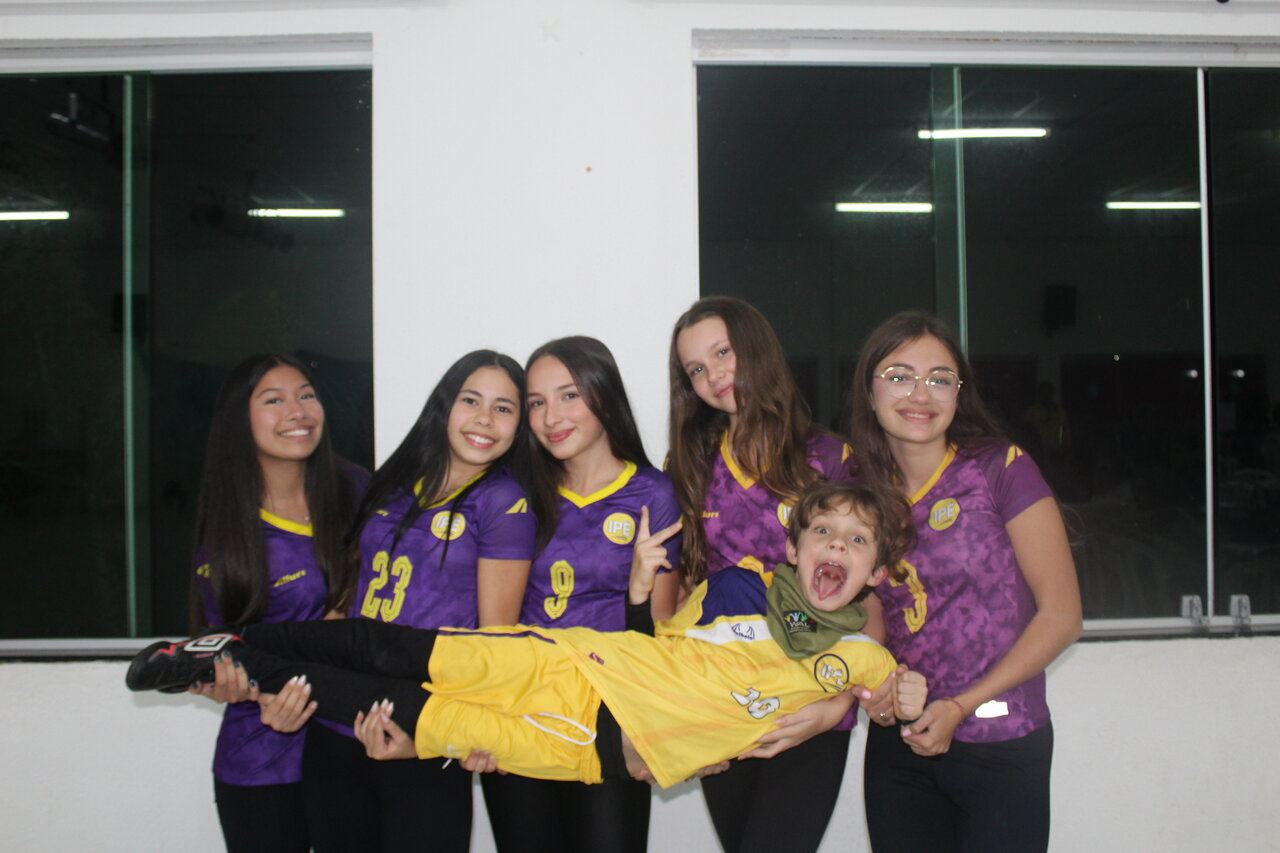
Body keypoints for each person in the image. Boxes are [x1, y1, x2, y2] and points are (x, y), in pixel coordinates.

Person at [128, 482, 925, 794]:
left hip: (582, 750)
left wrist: (888, 696)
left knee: (402, 710)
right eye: (824, 532)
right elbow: (665, 646)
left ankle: (237, 663)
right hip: (576, 662)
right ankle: (236, 643)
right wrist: (640, 595)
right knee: (396, 648)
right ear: (795, 545)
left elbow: (890, 696)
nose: (836, 547)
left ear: (876, 567)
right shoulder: (736, 588)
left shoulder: (860, 652)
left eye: (857, 541)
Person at [849, 311, 1082, 853]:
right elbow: (872, 609)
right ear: (870, 391)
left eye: (939, 379)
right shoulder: (859, 490)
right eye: (899, 376)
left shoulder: (1000, 469)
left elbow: (1063, 617)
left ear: (959, 392)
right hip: (901, 743)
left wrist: (960, 705)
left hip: (1001, 739)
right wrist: (871, 683)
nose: (920, 394)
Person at [293, 350, 539, 853]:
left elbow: (495, 638)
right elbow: (345, 600)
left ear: (519, 426)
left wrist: (449, 735)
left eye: (503, 408)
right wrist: (309, 682)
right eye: (471, 400)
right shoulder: (392, 483)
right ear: (445, 405)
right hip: (338, 720)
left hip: (420, 729)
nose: (484, 419)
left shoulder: (503, 501)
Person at [667, 295, 862, 852]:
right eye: (695, 369)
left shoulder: (829, 458)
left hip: (810, 701)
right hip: (724, 700)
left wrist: (836, 705)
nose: (713, 376)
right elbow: (685, 592)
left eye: (722, 352)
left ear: (755, 347)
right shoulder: (689, 465)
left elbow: (871, 596)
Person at [480, 336, 681, 853]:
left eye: (569, 395)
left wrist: (636, 592)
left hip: (608, 719)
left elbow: (661, 633)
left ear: (603, 394)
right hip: (521, 710)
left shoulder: (653, 494)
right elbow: (491, 621)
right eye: (536, 402)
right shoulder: (515, 491)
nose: (551, 418)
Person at [189, 353, 364, 852]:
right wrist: (240, 687)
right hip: (262, 762)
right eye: (274, 400)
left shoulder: (358, 490)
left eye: (307, 395)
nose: (298, 411)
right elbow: (220, 649)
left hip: (356, 747)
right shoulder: (227, 534)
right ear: (239, 419)